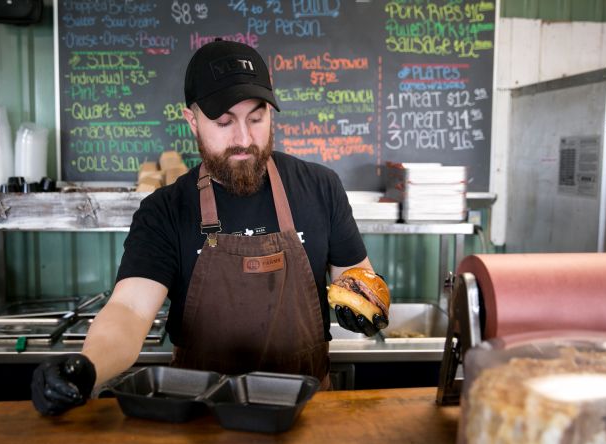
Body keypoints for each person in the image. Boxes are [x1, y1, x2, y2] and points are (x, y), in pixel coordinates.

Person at [31, 39, 389, 416]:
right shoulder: (166, 210)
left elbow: (355, 273)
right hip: (198, 420)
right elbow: (129, 311)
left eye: (256, 118)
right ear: (192, 122)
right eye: (223, 123)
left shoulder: (320, 187)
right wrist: (87, 367)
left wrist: (366, 299)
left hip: (305, 416)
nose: (245, 140)